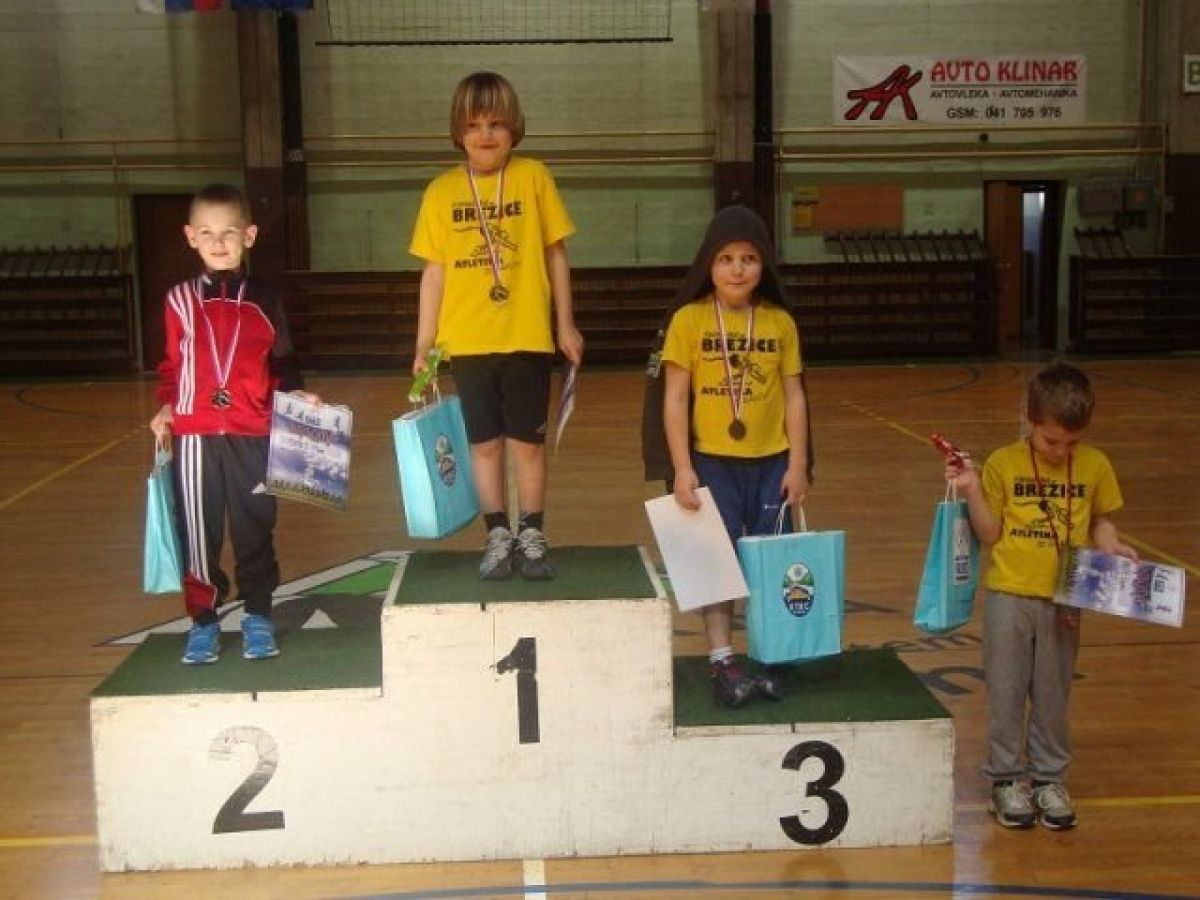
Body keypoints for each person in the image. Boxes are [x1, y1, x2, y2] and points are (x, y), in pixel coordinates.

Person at [946, 361, 1136, 830]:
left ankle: (1049, 778)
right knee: (1007, 691)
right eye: (1051, 441)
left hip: (1066, 596)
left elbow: (1101, 519)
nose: (1061, 451)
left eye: (1071, 443)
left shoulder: (1095, 465)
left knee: (1053, 693)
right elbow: (990, 534)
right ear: (1029, 421)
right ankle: (1006, 779)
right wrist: (972, 490)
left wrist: (1109, 543)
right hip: (1009, 594)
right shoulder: (1003, 463)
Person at [409, 71, 583, 581]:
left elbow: (555, 254)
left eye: (496, 124)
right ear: (458, 132)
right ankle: (497, 533)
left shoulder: (534, 177)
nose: (485, 135)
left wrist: (566, 324)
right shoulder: (441, 192)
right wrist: (424, 343)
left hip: (526, 336)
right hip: (465, 342)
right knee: (483, 445)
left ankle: (531, 533)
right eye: (474, 125)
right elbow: (434, 273)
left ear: (514, 128)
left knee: (527, 445)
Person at [150, 183, 320, 665]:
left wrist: (295, 392)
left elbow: (282, 359)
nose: (218, 242)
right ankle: (203, 620)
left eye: (228, 232)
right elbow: (172, 365)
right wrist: (166, 405)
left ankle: (259, 614)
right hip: (194, 436)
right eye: (206, 233)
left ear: (249, 235)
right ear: (190, 237)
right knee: (198, 533)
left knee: (254, 529)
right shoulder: (178, 300)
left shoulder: (266, 298)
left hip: (253, 432)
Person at [657, 205, 812, 708]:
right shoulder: (689, 320)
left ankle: (771, 656)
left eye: (749, 258)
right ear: (709, 263)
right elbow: (674, 399)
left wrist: (798, 464)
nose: (738, 269)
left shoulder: (780, 322)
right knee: (714, 564)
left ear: (764, 263)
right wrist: (681, 467)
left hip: (772, 463)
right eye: (726, 258)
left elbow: (795, 396)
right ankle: (722, 659)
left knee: (772, 565)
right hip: (712, 463)